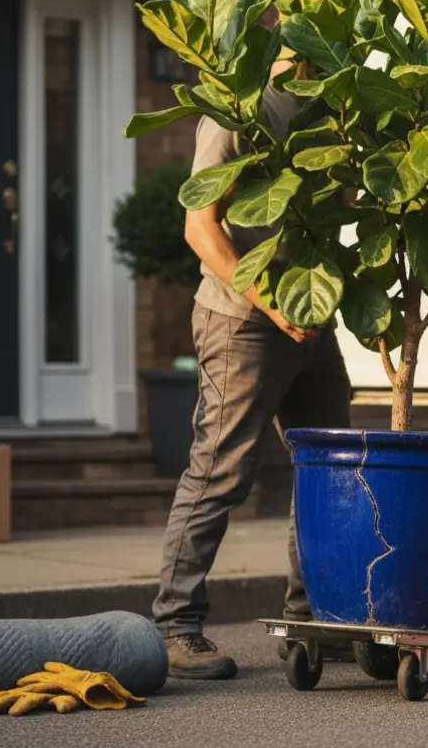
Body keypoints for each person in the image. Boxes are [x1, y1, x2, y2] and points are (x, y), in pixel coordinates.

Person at [151, 48, 353, 680]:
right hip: (244, 320)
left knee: (329, 468)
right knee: (221, 469)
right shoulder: (239, 108)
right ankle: (175, 626)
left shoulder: (337, 109)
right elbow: (200, 228)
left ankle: (309, 618)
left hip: (312, 322)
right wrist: (274, 304)